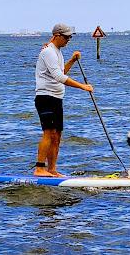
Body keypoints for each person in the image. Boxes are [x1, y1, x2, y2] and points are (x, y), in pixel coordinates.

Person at [34, 23, 93, 177]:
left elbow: (61, 71)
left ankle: (52, 169)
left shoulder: (57, 52)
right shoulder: (48, 52)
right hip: (45, 97)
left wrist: (72, 60)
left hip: (57, 98)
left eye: (70, 37)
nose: (69, 40)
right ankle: (39, 168)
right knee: (49, 132)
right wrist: (82, 86)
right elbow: (59, 77)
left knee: (57, 135)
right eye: (66, 37)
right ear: (57, 36)